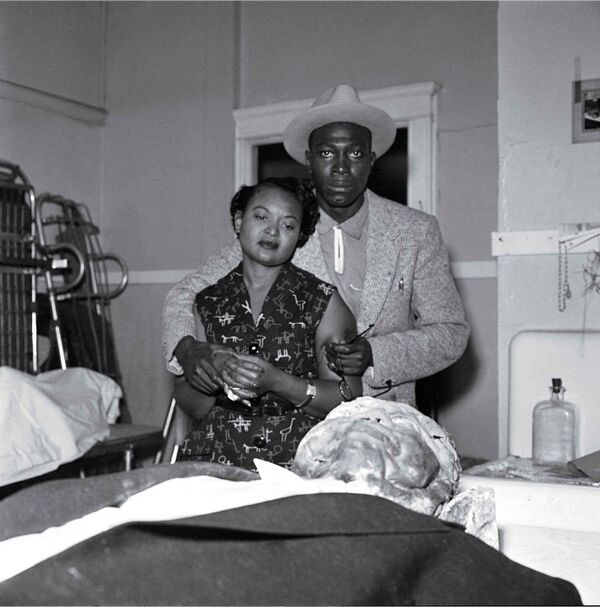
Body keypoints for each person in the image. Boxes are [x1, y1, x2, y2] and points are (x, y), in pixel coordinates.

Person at [163, 83, 469, 409]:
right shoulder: (281, 226)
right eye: (326, 153)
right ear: (309, 160)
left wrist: (375, 354)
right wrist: (186, 347)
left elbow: (449, 332)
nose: (341, 167)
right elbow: (185, 293)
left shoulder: (415, 231)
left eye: (355, 153)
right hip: (297, 419)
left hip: (388, 415)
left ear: (372, 160)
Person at [174, 176, 362, 470]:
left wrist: (279, 382)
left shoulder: (323, 301)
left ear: (299, 237)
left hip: (299, 464)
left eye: (288, 225)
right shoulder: (207, 302)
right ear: (239, 221)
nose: (272, 231)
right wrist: (213, 375)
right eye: (261, 217)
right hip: (218, 462)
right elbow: (192, 405)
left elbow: (347, 398)